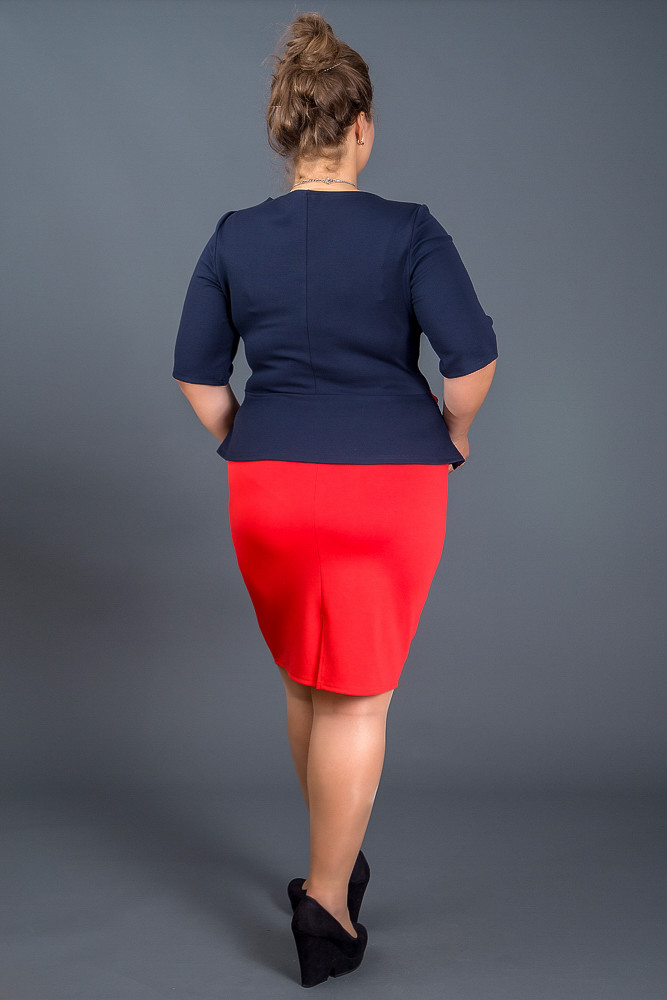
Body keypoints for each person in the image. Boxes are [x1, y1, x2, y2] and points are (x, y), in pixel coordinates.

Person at [172, 11, 498, 988]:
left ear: (284, 133)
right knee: (359, 696)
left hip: (269, 484)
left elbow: (197, 377)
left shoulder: (234, 237)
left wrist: (252, 440)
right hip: (387, 486)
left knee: (305, 681)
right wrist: (453, 432)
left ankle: (331, 856)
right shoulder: (410, 231)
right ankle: (324, 909)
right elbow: (471, 363)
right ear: (362, 127)